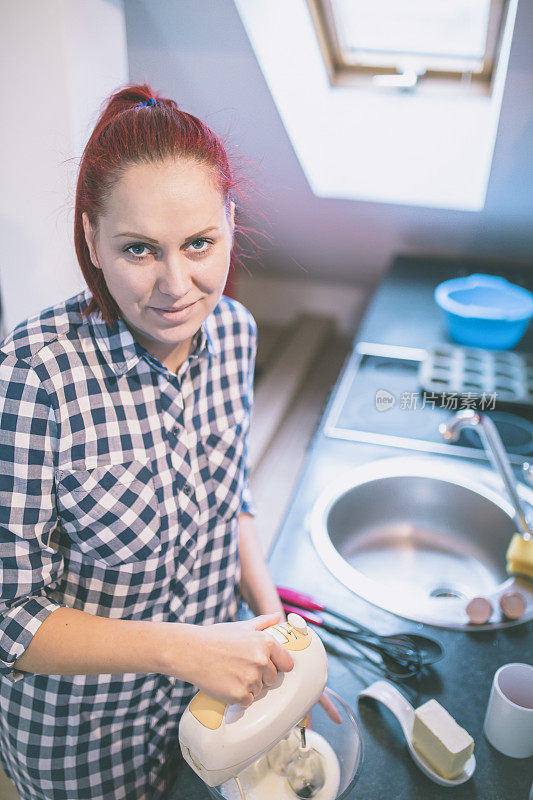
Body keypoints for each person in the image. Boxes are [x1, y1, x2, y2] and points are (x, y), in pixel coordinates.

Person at [0, 84, 295, 800]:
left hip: (202, 705)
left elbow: (231, 497)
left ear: (228, 222)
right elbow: (10, 619)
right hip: (83, 739)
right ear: (91, 238)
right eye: (138, 249)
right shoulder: (35, 378)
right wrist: (185, 649)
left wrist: (277, 630)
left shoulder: (233, 335)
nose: (176, 286)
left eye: (200, 243)